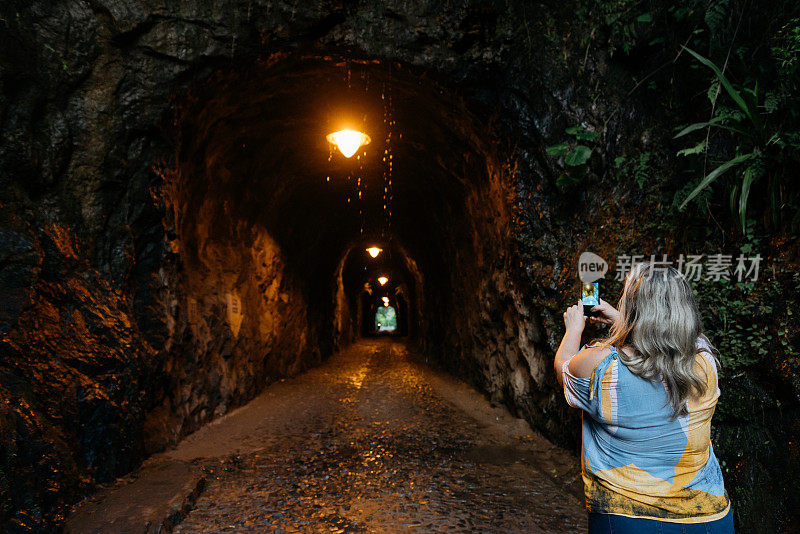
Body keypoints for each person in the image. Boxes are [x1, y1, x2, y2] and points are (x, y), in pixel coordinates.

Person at [554, 262, 734, 533]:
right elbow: (676, 339)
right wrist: (625, 321)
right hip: (708, 519)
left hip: (627, 518)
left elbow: (564, 368)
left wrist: (574, 330)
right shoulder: (706, 363)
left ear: (632, 307)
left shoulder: (602, 367)